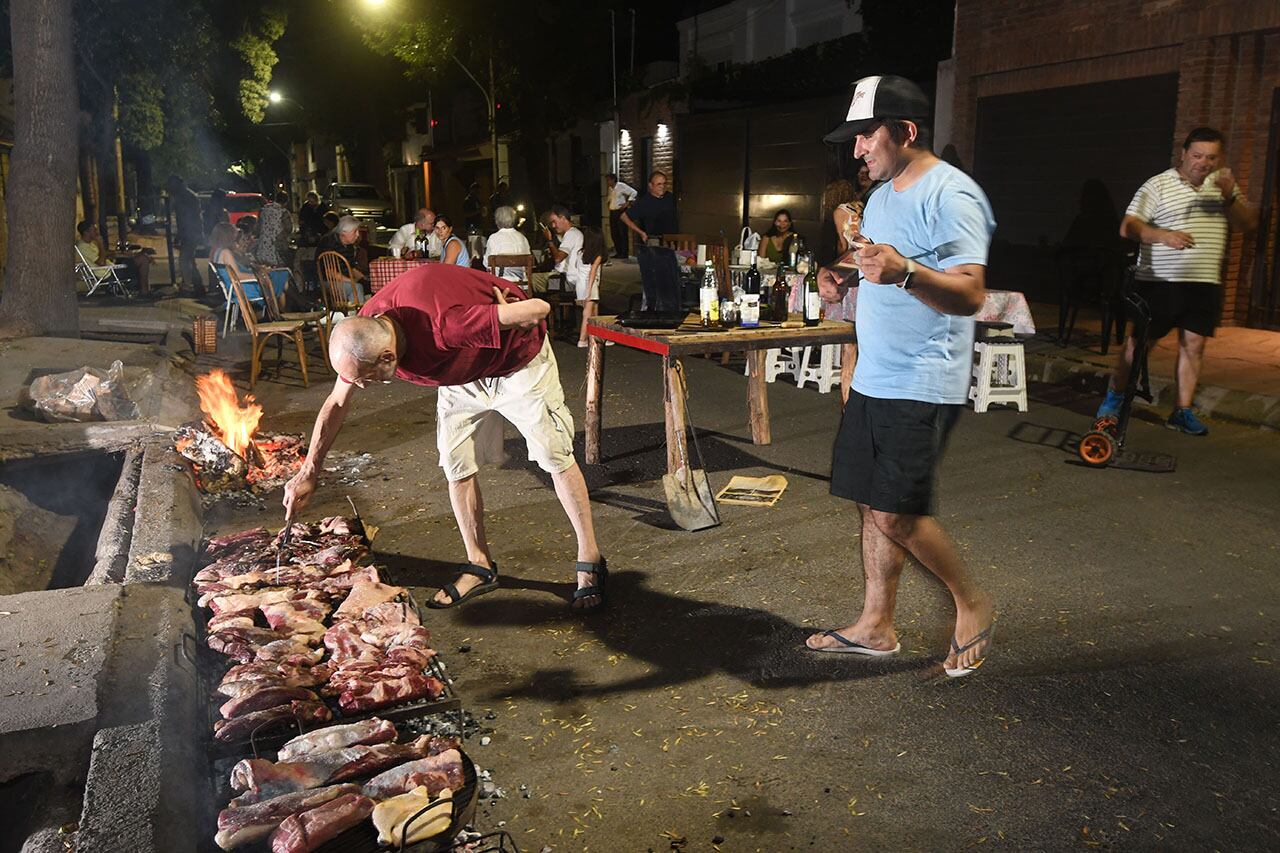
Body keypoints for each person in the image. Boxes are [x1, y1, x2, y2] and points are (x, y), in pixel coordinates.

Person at [282, 264, 609, 612]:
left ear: (388, 357)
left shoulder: (445, 327)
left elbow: (540, 307)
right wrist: (308, 473)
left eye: (366, 378)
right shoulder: (364, 331)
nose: (362, 385)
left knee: (553, 455)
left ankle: (591, 558)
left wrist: (516, 314)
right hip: (460, 376)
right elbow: (336, 401)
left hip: (515, 365)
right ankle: (480, 565)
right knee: (456, 463)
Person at [809, 75, 997, 678]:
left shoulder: (953, 194)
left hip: (922, 380)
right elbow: (882, 262)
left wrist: (906, 273)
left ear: (906, 131)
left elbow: (970, 294)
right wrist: (845, 273)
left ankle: (972, 603)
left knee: (897, 513)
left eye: (866, 136)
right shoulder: (885, 193)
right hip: (874, 376)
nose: (857, 150)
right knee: (871, 504)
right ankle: (875, 625)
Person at [1095, 126, 1259, 436]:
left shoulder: (1223, 188)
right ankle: (1114, 399)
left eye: (1211, 157)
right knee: (1139, 345)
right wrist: (1161, 235)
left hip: (1204, 283)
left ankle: (1182, 412)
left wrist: (1229, 198)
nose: (1204, 163)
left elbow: (1247, 224)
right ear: (1183, 154)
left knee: (1193, 346)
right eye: (1197, 155)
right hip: (1160, 282)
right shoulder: (1158, 185)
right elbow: (1127, 226)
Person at [208, 222, 286, 310]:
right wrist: (261, 276)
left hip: (237, 287)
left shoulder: (217, 252)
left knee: (281, 280)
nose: (235, 237)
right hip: (244, 289)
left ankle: (280, 315)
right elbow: (238, 276)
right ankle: (281, 315)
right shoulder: (226, 253)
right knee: (282, 278)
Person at [76, 220, 152, 294]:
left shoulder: (91, 244)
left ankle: (142, 288)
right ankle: (144, 291)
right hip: (108, 274)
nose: (97, 232)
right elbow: (101, 262)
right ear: (86, 232)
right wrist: (100, 244)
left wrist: (127, 254)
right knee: (143, 260)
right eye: (94, 230)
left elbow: (105, 255)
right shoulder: (83, 246)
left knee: (141, 257)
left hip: (112, 269)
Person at [167, 176, 205, 296]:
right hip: (191, 232)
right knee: (189, 260)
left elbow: (185, 218)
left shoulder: (184, 196)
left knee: (185, 260)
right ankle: (197, 287)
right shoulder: (186, 194)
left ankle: (188, 287)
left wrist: (180, 235)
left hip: (190, 232)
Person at [317, 214, 368, 302]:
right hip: (329, 282)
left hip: (343, 279)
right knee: (356, 288)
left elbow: (351, 268)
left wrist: (365, 279)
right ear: (344, 232)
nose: (357, 235)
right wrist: (352, 281)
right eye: (355, 231)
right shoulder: (329, 242)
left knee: (367, 285)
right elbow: (330, 273)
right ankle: (355, 314)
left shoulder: (349, 246)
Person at [619, 170, 677, 245]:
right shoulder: (645, 202)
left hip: (673, 240)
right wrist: (641, 233)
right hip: (655, 241)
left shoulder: (670, 197)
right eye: (659, 184)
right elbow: (624, 217)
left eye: (664, 183)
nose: (662, 186)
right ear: (651, 185)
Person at [483, 205, 533, 284]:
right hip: (522, 284)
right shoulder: (523, 238)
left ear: (497, 221)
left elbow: (487, 263)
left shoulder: (494, 238)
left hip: (501, 285)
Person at [576, 226, 606, 347]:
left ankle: (597, 336)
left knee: (594, 310)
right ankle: (582, 339)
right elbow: (593, 271)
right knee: (588, 313)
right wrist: (590, 289)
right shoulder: (597, 255)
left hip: (580, 284)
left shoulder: (581, 253)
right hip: (590, 284)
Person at [256, 191, 294, 268]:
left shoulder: (264, 209)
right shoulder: (284, 212)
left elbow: (258, 227)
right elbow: (289, 228)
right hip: (277, 247)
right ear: (286, 202)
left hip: (262, 246)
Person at [605, 172, 638, 259]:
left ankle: (624, 253)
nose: (607, 182)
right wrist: (609, 205)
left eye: (608, 180)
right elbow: (610, 198)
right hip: (613, 212)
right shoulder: (610, 188)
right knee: (614, 233)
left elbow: (634, 192)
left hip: (620, 211)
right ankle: (618, 251)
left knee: (622, 232)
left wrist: (627, 203)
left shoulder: (621, 186)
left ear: (612, 180)